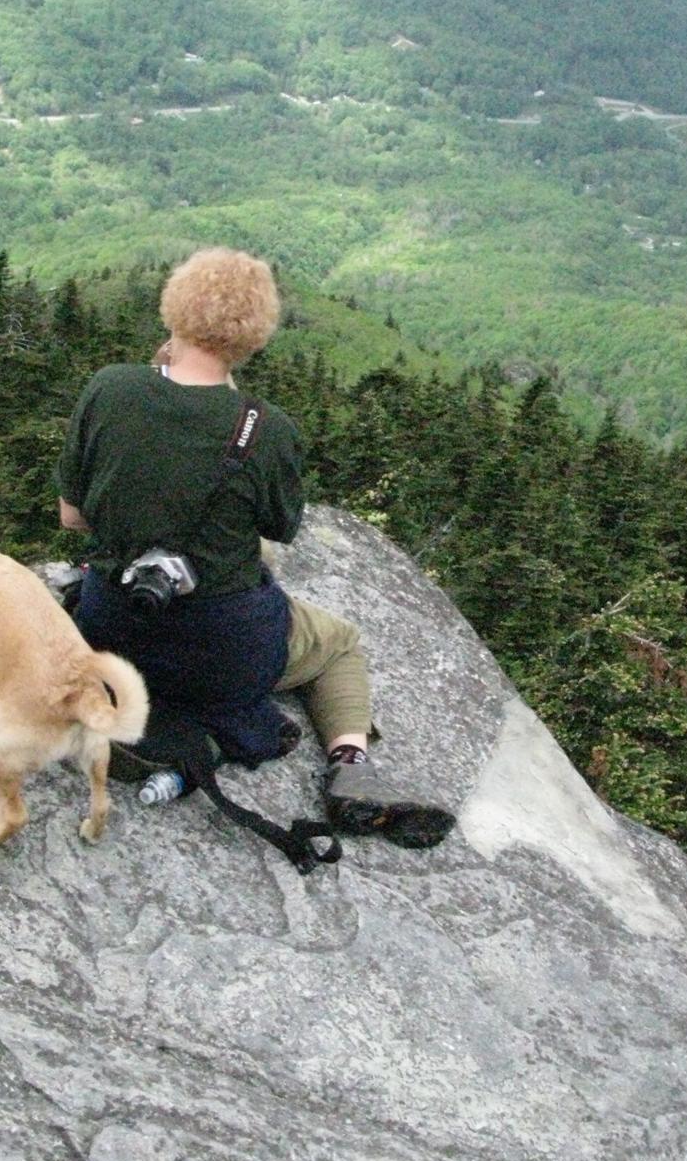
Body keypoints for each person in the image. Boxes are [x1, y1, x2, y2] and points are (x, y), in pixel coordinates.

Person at [56, 246, 452, 845]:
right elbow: (277, 527)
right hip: (223, 656)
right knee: (339, 643)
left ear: (173, 310)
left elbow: (73, 517)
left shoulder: (109, 389)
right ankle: (350, 764)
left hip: (109, 629)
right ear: (255, 335)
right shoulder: (268, 430)